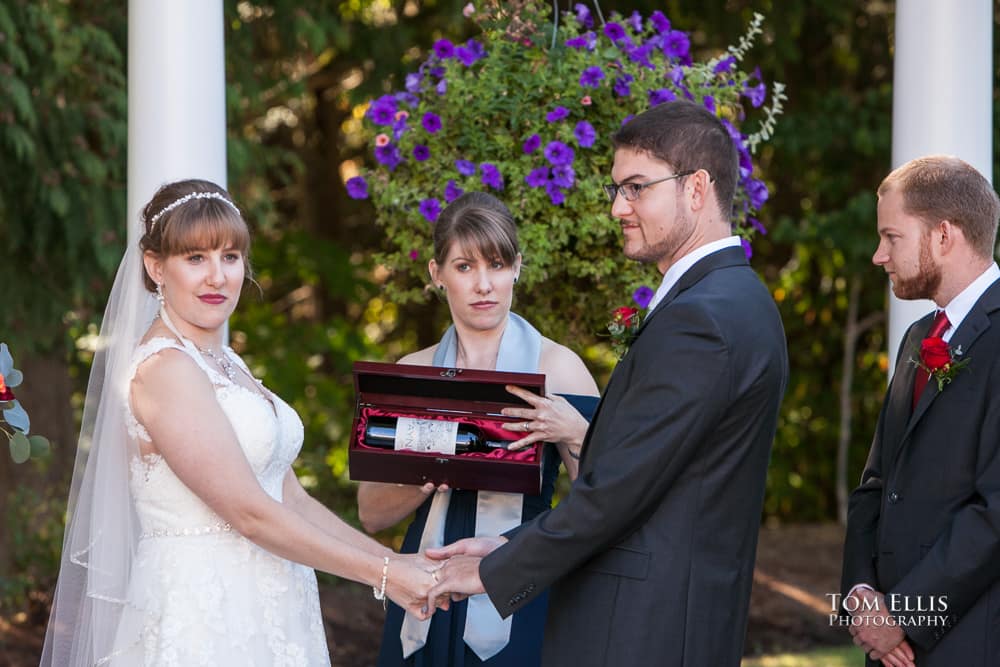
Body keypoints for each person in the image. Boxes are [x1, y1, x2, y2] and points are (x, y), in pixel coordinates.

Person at [425, 99, 789, 666]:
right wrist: (508, 544)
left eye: (636, 187)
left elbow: (617, 492)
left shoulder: (703, 319)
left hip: (645, 631)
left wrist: (494, 569)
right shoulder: (734, 299)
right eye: (617, 189)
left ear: (696, 188)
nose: (619, 207)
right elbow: (647, 484)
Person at [41, 178, 435, 666]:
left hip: (272, 603)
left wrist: (393, 562)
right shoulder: (165, 369)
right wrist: (383, 575)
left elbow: (290, 498)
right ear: (156, 267)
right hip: (204, 613)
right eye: (195, 258)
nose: (218, 276)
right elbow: (249, 512)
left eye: (229, 256)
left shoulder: (227, 362)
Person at [357, 191, 600, 667]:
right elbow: (371, 514)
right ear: (437, 273)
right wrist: (427, 473)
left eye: (497, 264)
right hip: (426, 589)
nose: (484, 284)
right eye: (465, 266)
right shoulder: (412, 374)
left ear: (517, 268)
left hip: (521, 591)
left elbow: (604, 499)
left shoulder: (560, 368)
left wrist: (573, 430)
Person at [840, 155, 1000, 667]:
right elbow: (876, 482)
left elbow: (995, 510)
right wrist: (862, 594)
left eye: (892, 237)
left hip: (970, 642)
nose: (878, 255)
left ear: (943, 236)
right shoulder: (918, 337)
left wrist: (905, 617)